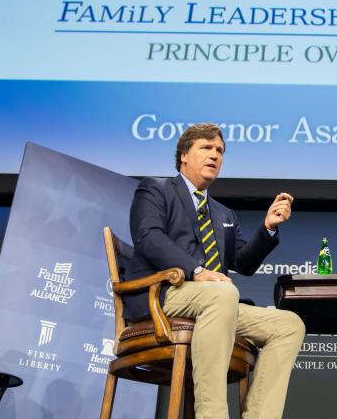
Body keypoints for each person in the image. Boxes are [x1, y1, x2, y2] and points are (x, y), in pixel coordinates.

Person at [125, 122, 305, 419]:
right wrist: (196, 271)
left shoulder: (223, 213)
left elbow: (243, 263)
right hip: (163, 295)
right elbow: (148, 238)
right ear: (183, 155)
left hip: (214, 300)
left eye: (220, 151)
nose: (215, 155)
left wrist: (268, 227)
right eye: (206, 148)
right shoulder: (155, 189)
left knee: (289, 325)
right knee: (221, 293)